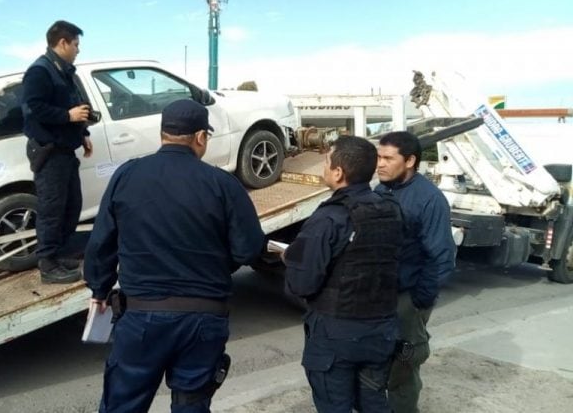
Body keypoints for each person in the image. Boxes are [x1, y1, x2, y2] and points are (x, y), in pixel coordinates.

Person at [84, 99, 266, 413]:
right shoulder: (223, 183)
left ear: (162, 134)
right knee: (191, 405)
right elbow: (249, 249)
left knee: (122, 405)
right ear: (200, 137)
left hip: (141, 317)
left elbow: (101, 243)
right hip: (204, 318)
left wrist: (99, 289)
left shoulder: (127, 176)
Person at [283, 135, 404, 413]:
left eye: (326, 162)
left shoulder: (328, 218)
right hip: (381, 331)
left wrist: (290, 258)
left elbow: (302, 283)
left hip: (337, 336)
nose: (324, 168)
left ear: (338, 172)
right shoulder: (392, 210)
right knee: (374, 404)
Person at [375, 131, 456, 413]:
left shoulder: (429, 199)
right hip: (379, 296)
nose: (380, 164)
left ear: (410, 160)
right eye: (378, 157)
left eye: (388, 158)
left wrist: (419, 300)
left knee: (403, 366)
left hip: (407, 296)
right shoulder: (380, 191)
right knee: (376, 362)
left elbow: (442, 255)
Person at [22, 20, 92, 283]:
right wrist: (67, 116)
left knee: (71, 206)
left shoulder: (63, 71)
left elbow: (75, 106)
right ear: (62, 43)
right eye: (75, 44)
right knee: (52, 210)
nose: (78, 49)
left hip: (65, 150)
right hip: (49, 152)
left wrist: (83, 133)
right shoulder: (40, 71)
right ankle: (48, 266)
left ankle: (60, 253)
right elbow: (33, 109)